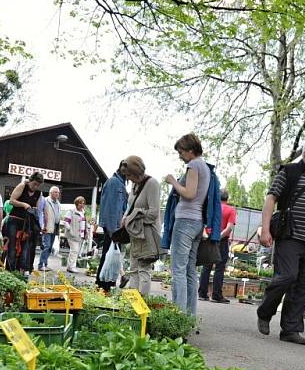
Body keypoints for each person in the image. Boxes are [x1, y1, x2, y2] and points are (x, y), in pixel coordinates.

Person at [256, 140, 305, 345]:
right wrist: (265, 229)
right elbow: (271, 199)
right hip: (290, 236)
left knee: (304, 285)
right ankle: (265, 311)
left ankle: (290, 329)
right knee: (287, 276)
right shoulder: (288, 172)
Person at [163, 133, 221, 315]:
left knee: (178, 269)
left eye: (181, 151)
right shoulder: (205, 167)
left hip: (185, 220)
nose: (180, 155)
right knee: (189, 270)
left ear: (190, 150)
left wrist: (172, 181)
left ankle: (177, 313)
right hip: (197, 223)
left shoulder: (193, 165)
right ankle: (189, 315)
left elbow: (189, 193)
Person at [122, 155, 161, 296]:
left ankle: (143, 302)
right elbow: (130, 206)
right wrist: (125, 217)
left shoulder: (152, 184)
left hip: (147, 234)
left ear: (136, 170)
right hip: (135, 233)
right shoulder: (134, 185)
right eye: (126, 175)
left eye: (129, 174)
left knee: (143, 269)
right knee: (133, 268)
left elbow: (153, 213)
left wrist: (131, 218)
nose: (128, 178)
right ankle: (132, 302)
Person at [197, 188, 236, 303]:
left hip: (209, 239)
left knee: (206, 266)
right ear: (227, 198)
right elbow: (229, 228)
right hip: (222, 241)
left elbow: (205, 223)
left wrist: (208, 235)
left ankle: (202, 294)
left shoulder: (212, 209)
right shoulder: (231, 210)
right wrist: (219, 236)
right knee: (219, 268)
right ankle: (216, 295)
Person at [95, 161, 129, 292]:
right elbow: (109, 208)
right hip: (113, 227)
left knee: (111, 256)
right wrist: (112, 231)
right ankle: (103, 285)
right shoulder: (114, 183)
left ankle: (106, 285)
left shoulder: (120, 183)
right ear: (122, 168)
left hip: (116, 227)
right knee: (108, 256)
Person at [4, 172, 44, 272]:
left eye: (38, 185)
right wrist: (23, 204)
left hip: (26, 222)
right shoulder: (22, 186)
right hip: (14, 219)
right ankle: (10, 269)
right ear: (30, 181)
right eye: (34, 184)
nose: (35, 187)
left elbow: (37, 208)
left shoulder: (39, 193)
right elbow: (11, 200)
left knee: (24, 247)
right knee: (12, 245)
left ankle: (19, 270)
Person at [38, 186, 61, 270]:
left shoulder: (58, 203)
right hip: (46, 227)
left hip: (54, 227)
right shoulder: (45, 200)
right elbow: (40, 213)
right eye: (55, 192)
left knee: (50, 247)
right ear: (50, 193)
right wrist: (42, 225)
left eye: (58, 192)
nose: (57, 194)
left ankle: (45, 263)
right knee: (46, 246)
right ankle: (41, 265)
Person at [64, 196, 88, 272]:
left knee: (76, 251)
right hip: (72, 234)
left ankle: (70, 266)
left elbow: (84, 223)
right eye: (80, 203)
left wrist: (86, 232)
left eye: (83, 203)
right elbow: (65, 222)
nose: (82, 205)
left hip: (80, 235)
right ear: (76, 203)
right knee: (74, 250)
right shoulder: (71, 211)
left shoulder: (83, 212)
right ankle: (71, 267)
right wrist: (70, 229)